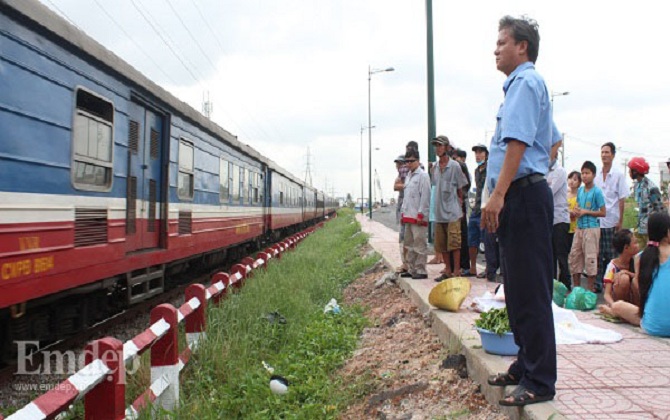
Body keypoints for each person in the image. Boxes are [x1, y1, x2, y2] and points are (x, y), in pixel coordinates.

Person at [482, 15, 557, 406]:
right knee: (518, 289)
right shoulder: (519, 88)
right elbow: (553, 139)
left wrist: (501, 193)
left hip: (523, 197)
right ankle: (527, 363)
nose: (495, 49)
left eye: (501, 42)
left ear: (521, 46)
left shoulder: (526, 82)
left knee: (531, 290)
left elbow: (517, 144)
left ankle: (540, 380)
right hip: (521, 195)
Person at [598, 211, 670, 337]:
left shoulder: (642, 257)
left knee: (619, 306)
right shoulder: (635, 259)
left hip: (651, 325)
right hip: (652, 322)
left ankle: (613, 311)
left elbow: (639, 287)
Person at [431, 136, 468, 281]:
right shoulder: (434, 168)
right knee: (442, 243)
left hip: (452, 211)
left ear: (446, 147)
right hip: (439, 211)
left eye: (440, 145)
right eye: (436, 146)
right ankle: (447, 269)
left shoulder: (455, 166)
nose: (438, 148)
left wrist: (461, 207)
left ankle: (456, 270)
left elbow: (460, 188)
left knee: (454, 242)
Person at [594, 142, 629, 293]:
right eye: (602, 152)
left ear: (613, 155)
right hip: (598, 221)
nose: (604, 155)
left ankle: (613, 285)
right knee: (597, 253)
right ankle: (597, 284)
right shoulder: (596, 175)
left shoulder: (618, 175)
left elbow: (622, 199)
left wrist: (620, 221)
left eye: (607, 152)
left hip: (611, 220)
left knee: (611, 255)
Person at [568, 161, 606, 292]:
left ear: (593, 175)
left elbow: (603, 212)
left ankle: (590, 291)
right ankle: (576, 290)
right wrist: (576, 211)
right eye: (583, 173)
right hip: (579, 227)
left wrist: (586, 212)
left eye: (587, 173)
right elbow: (578, 206)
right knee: (574, 256)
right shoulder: (580, 191)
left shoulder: (597, 192)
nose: (584, 176)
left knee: (590, 259)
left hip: (591, 228)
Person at [399, 148, 431, 280]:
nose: (409, 164)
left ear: (418, 161)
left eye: (411, 161)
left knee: (419, 244)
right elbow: (406, 197)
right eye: (407, 161)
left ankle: (421, 269)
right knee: (409, 244)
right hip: (408, 216)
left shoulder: (423, 176)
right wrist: (403, 213)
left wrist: (421, 214)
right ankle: (411, 268)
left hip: (418, 217)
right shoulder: (408, 177)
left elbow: (425, 196)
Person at [547, 138, 570, 289]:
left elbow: (549, 191)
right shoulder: (543, 171)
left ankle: (566, 284)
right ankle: (553, 285)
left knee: (561, 255)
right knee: (550, 255)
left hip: (560, 219)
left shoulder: (560, 171)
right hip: (548, 219)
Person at [628, 157, 666, 247]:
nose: (629, 172)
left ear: (635, 171)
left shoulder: (651, 188)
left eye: (630, 170)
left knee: (650, 255)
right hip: (640, 227)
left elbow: (660, 209)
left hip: (650, 230)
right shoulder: (637, 186)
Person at [597, 229, 639, 308]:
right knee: (623, 279)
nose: (638, 245)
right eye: (635, 243)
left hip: (634, 301)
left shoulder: (638, 261)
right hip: (618, 303)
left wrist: (628, 273)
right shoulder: (612, 266)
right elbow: (607, 294)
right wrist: (613, 305)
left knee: (636, 280)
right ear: (626, 248)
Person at [468, 144, 488, 277]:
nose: (478, 155)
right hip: (476, 208)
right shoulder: (476, 171)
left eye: (481, 152)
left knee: (487, 240)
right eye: (476, 153)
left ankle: (488, 269)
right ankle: (473, 267)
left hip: (485, 207)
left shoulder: (490, 169)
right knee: (472, 239)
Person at [454, 149, 472, 275]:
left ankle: (464, 265)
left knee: (461, 235)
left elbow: (465, 185)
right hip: (452, 206)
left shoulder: (460, 166)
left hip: (459, 204)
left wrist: (461, 199)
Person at [393, 155, 409, 274]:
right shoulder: (401, 177)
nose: (398, 166)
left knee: (406, 238)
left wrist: (404, 185)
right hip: (402, 211)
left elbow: (397, 185)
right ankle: (405, 263)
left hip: (408, 212)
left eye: (400, 164)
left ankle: (407, 264)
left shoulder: (408, 177)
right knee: (402, 238)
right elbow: (395, 186)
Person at [567, 170, 582, 254]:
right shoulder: (564, 194)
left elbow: (576, 211)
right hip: (565, 226)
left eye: (575, 179)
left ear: (579, 183)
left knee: (575, 252)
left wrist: (568, 211)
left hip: (576, 228)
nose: (571, 181)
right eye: (570, 178)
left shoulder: (580, 195)